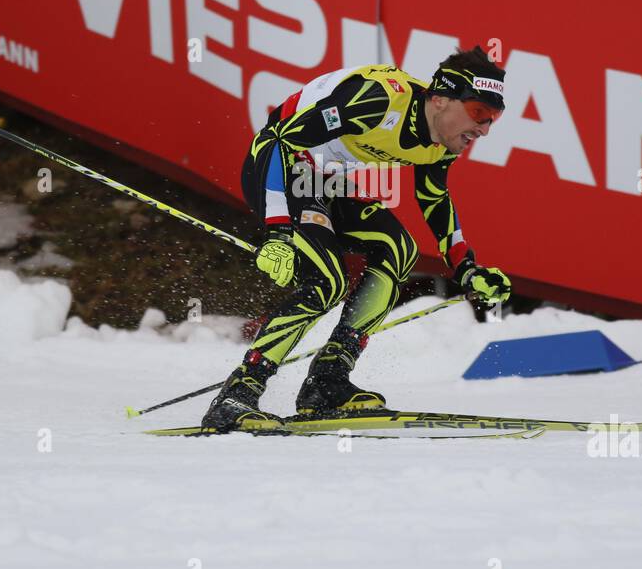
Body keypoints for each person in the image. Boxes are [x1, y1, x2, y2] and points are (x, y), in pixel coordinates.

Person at [203, 47, 513, 431]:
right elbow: (279, 141)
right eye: (479, 114)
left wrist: (466, 268)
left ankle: (326, 383)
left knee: (398, 250)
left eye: (493, 119)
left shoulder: (441, 141)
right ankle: (238, 394)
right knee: (328, 282)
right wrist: (279, 231)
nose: (483, 129)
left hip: (324, 180)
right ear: (440, 100)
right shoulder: (377, 100)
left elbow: (434, 200)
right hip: (279, 169)